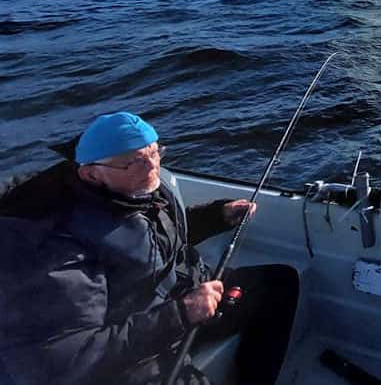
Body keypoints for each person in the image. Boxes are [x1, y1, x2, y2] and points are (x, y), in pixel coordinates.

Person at [0, 112, 298, 385]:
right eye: (134, 161)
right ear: (91, 173)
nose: (152, 167)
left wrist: (215, 217)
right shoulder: (56, 245)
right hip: (130, 350)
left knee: (279, 284)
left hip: (181, 296)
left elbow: (148, 241)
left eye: (155, 153)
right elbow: (69, 359)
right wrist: (181, 315)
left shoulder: (132, 190)